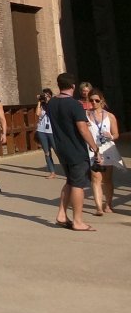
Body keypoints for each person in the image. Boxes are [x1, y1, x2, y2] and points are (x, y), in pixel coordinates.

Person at [46, 72, 98, 231]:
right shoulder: (75, 105)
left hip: (61, 148)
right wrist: (95, 147)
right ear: (73, 86)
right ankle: (78, 220)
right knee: (78, 185)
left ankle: (62, 214)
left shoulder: (52, 103)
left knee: (70, 180)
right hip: (76, 149)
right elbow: (82, 129)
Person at [86, 90, 119, 215]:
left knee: (107, 179)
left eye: (96, 100)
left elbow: (116, 134)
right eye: (91, 100)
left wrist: (110, 136)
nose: (94, 103)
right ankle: (98, 207)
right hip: (93, 150)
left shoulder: (110, 116)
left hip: (107, 149)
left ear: (102, 101)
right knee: (95, 178)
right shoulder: (86, 115)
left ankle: (108, 204)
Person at [34, 87, 57, 178]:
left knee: (57, 150)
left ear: (50, 96)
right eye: (44, 95)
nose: (45, 97)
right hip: (41, 130)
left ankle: (67, 170)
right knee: (46, 152)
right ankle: (52, 172)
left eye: (47, 95)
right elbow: (37, 113)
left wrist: (49, 101)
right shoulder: (41, 105)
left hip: (51, 130)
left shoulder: (53, 104)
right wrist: (39, 101)